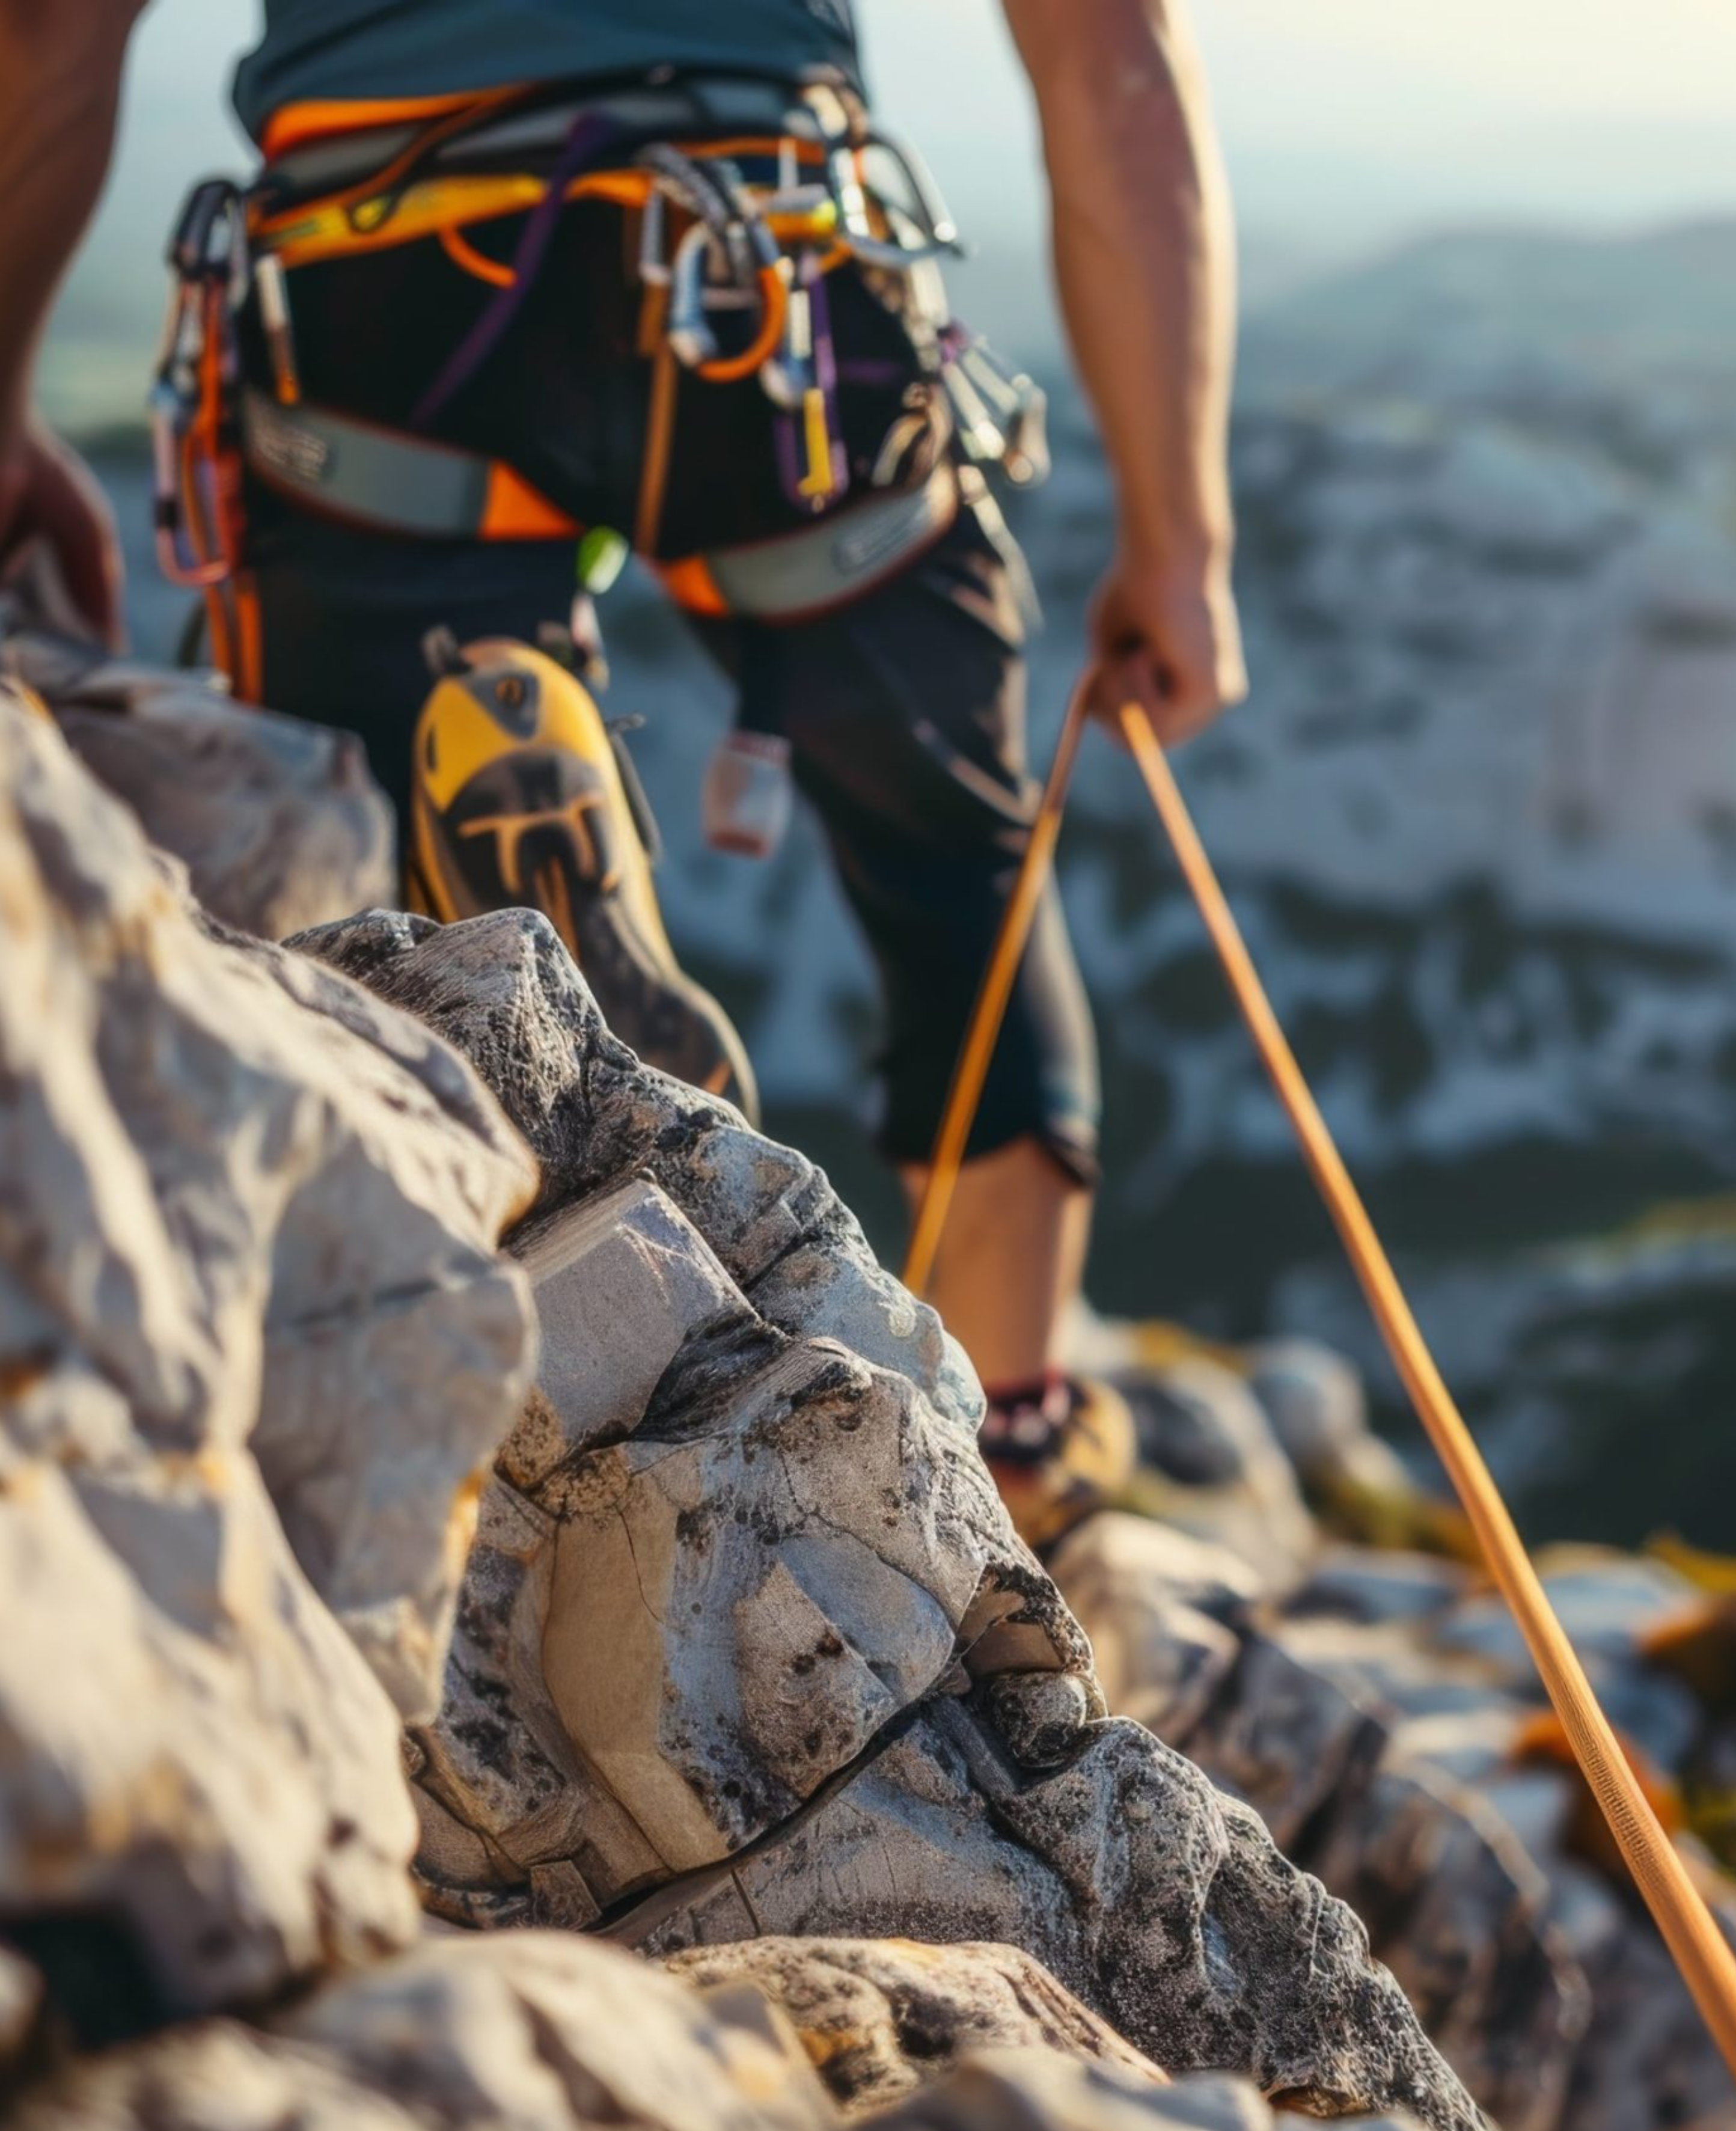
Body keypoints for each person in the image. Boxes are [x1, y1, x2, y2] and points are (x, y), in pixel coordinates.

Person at [0, 0, 1247, 1545]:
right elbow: (1107, 49)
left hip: (381, 276)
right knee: (956, 877)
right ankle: (1010, 1460)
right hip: (769, 272)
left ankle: (513, 887)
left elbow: (52, 26)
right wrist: (1179, 541)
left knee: (382, 927)